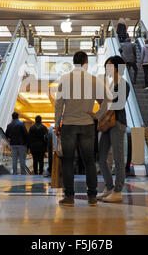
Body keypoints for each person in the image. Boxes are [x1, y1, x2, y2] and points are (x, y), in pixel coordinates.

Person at [54, 51, 111, 207]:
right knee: (89, 161)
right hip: (87, 125)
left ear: (74, 63)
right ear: (86, 62)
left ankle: (69, 197)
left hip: (68, 124)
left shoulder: (64, 79)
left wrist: (56, 124)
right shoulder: (94, 80)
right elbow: (108, 99)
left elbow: (58, 104)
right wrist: (97, 115)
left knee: (68, 161)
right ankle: (92, 196)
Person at [88, 55, 130, 203]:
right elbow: (107, 104)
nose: (107, 68)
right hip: (107, 123)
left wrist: (105, 105)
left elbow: (119, 105)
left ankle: (118, 191)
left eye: (109, 65)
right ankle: (109, 187)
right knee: (101, 157)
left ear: (117, 67)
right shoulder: (111, 85)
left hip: (117, 123)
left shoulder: (123, 84)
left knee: (118, 158)